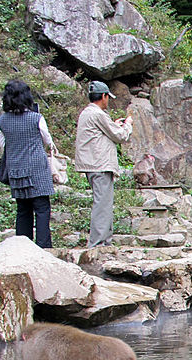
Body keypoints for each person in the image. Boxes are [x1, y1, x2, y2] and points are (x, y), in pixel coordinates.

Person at [74, 80, 132, 248]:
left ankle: (105, 241)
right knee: (102, 204)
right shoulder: (98, 114)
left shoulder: (87, 113)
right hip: (99, 165)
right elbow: (119, 136)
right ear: (104, 96)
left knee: (104, 203)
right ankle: (98, 244)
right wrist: (127, 126)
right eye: (108, 97)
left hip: (93, 164)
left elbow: (105, 132)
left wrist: (114, 125)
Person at [0, 80, 54, 248]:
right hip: (37, 169)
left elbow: (3, 145)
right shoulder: (36, 118)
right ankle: (44, 247)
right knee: (42, 209)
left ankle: (23, 247)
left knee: (22, 210)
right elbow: (47, 140)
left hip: (15, 169)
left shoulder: (2, 121)